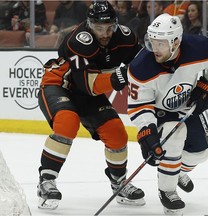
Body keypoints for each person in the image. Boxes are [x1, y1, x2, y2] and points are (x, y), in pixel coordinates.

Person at [37, 0, 145, 210]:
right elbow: (89, 86)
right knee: (68, 122)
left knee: (116, 133)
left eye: (109, 28)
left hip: (88, 91)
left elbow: (143, 62)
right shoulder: (79, 41)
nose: (104, 34)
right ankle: (46, 181)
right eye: (98, 28)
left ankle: (118, 182)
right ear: (89, 24)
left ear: (115, 24)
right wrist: (120, 75)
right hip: (59, 85)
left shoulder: (125, 37)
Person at [127, 13, 208, 215]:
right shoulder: (141, 67)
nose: (153, 49)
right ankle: (168, 192)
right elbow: (139, 105)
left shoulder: (201, 48)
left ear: (175, 42)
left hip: (185, 107)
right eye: (152, 42)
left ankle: (175, 171)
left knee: (200, 153)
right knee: (175, 135)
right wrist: (147, 132)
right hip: (157, 112)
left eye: (160, 44)